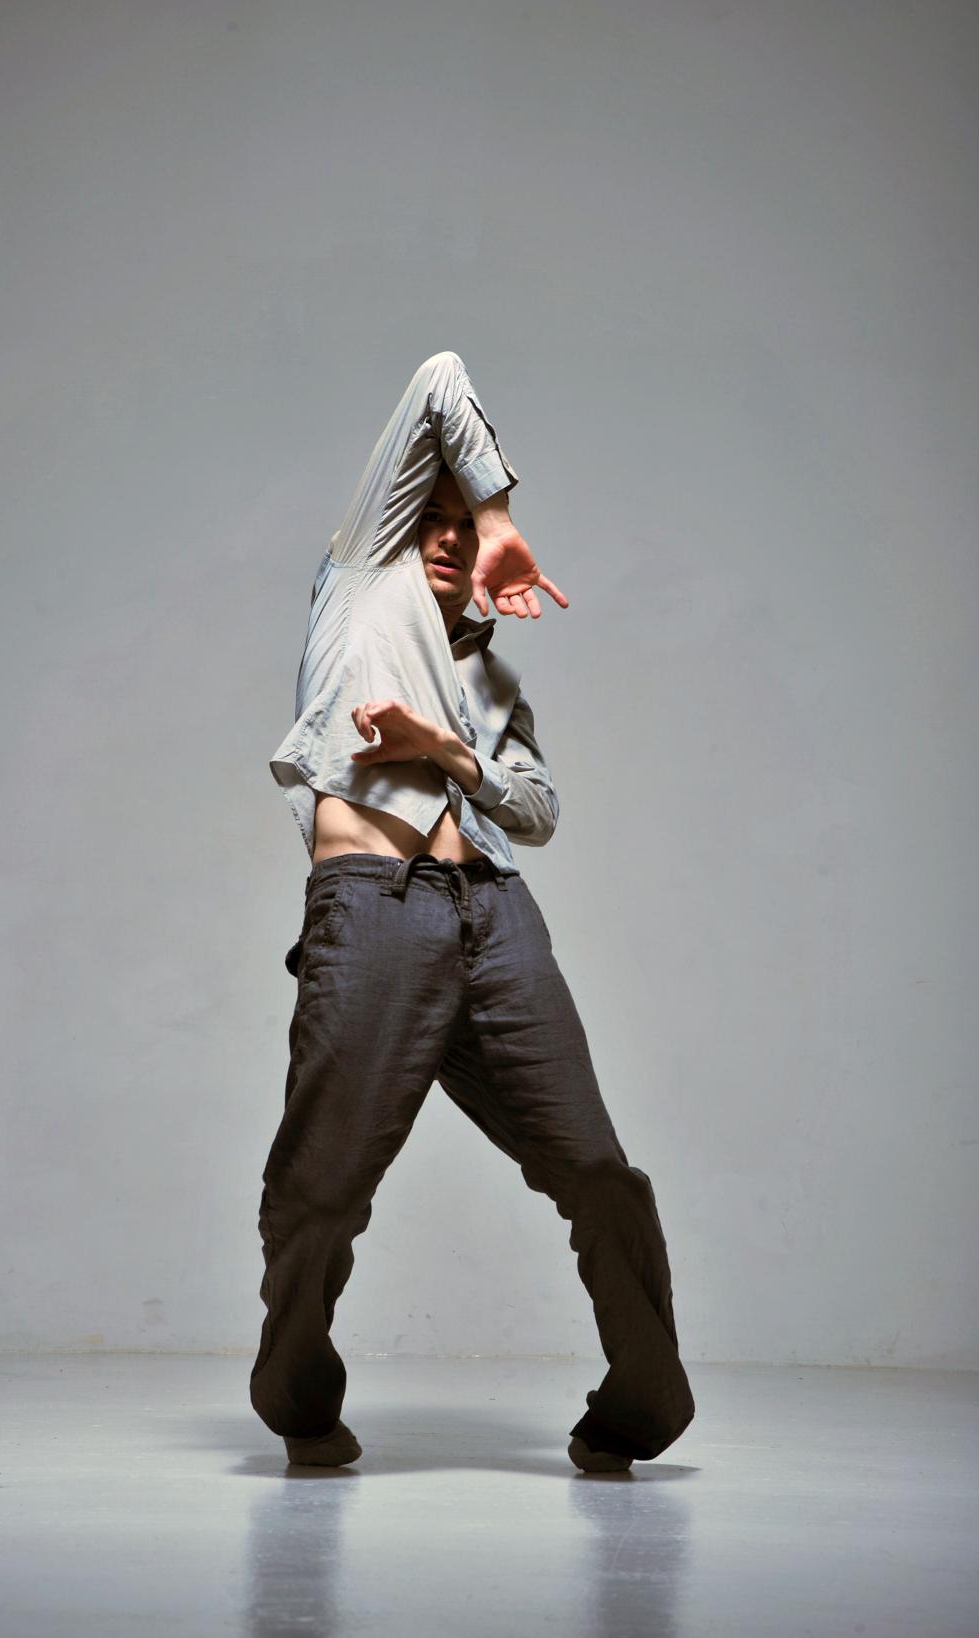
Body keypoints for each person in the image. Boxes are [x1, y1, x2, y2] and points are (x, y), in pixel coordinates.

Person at [251, 351, 696, 1472]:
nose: (448, 537)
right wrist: (498, 515)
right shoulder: (360, 583)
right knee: (321, 1189)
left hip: (496, 917)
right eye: (433, 518)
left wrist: (448, 749)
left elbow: (536, 811)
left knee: (598, 1172)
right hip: (376, 906)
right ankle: (297, 1396)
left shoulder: (494, 681)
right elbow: (441, 380)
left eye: (465, 525)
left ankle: (641, 1406)